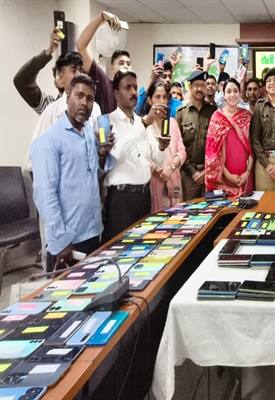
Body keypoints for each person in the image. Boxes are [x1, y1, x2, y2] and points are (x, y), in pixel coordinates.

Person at [30, 74, 112, 271]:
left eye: (90, 98)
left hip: (93, 232)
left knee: (93, 287)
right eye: (79, 96)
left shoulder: (89, 134)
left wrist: (102, 153)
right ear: (68, 97)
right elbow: (44, 195)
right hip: (68, 242)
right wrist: (62, 240)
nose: (84, 103)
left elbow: (93, 176)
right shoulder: (48, 141)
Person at [103, 71, 169, 241]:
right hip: (121, 199)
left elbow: (156, 158)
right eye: (128, 87)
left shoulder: (141, 121)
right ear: (116, 93)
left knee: (142, 248)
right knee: (120, 249)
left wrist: (162, 147)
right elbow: (116, 154)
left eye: (135, 87)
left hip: (144, 196)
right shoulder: (107, 121)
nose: (133, 92)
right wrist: (145, 123)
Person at [28, 52, 101, 165]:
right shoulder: (51, 111)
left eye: (81, 70)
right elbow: (34, 158)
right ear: (61, 78)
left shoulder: (95, 108)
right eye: (74, 70)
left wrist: (103, 144)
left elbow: (101, 146)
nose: (79, 74)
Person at [205, 78, 254, 197]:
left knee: (246, 207)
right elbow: (212, 153)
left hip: (245, 175)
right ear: (224, 95)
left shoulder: (246, 116)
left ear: (240, 94)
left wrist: (247, 173)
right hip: (224, 177)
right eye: (229, 91)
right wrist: (228, 175)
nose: (232, 95)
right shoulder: (217, 117)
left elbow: (252, 148)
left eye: (235, 91)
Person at [77, 11, 132, 114]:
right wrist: (101, 17)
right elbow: (81, 46)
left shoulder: (132, 94)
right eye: (121, 63)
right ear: (112, 68)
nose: (125, 66)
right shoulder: (105, 83)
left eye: (128, 64)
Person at [176, 71, 218, 200]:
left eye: (202, 85)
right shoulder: (181, 113)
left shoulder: (214, 112)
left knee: (212, 208)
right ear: (190, 87)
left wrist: (206, 170)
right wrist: (193, 172)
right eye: (196, 85)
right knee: (189, 209)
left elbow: (218, 144)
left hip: (210, 172)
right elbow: (178, 146)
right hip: (188, 174)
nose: (200, 89)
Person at [146, 81, 186, 213]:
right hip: (157, 180)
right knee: (159, 218)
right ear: (150, 100)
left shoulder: (172, 122)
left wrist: (172, 168)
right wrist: (161, 172)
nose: (162, 101)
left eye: (164, 97)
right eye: (157, 97)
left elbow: (182, 151)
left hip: (174, 177)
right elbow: (144, 158)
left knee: (178, 217)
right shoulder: (145, 125)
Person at [13, 27, 62, 114]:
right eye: (60, 74)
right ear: (55, 83)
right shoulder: (50, 108)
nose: (64, 77)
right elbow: (21, 80)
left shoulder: (84, 104)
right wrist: (48, 52)